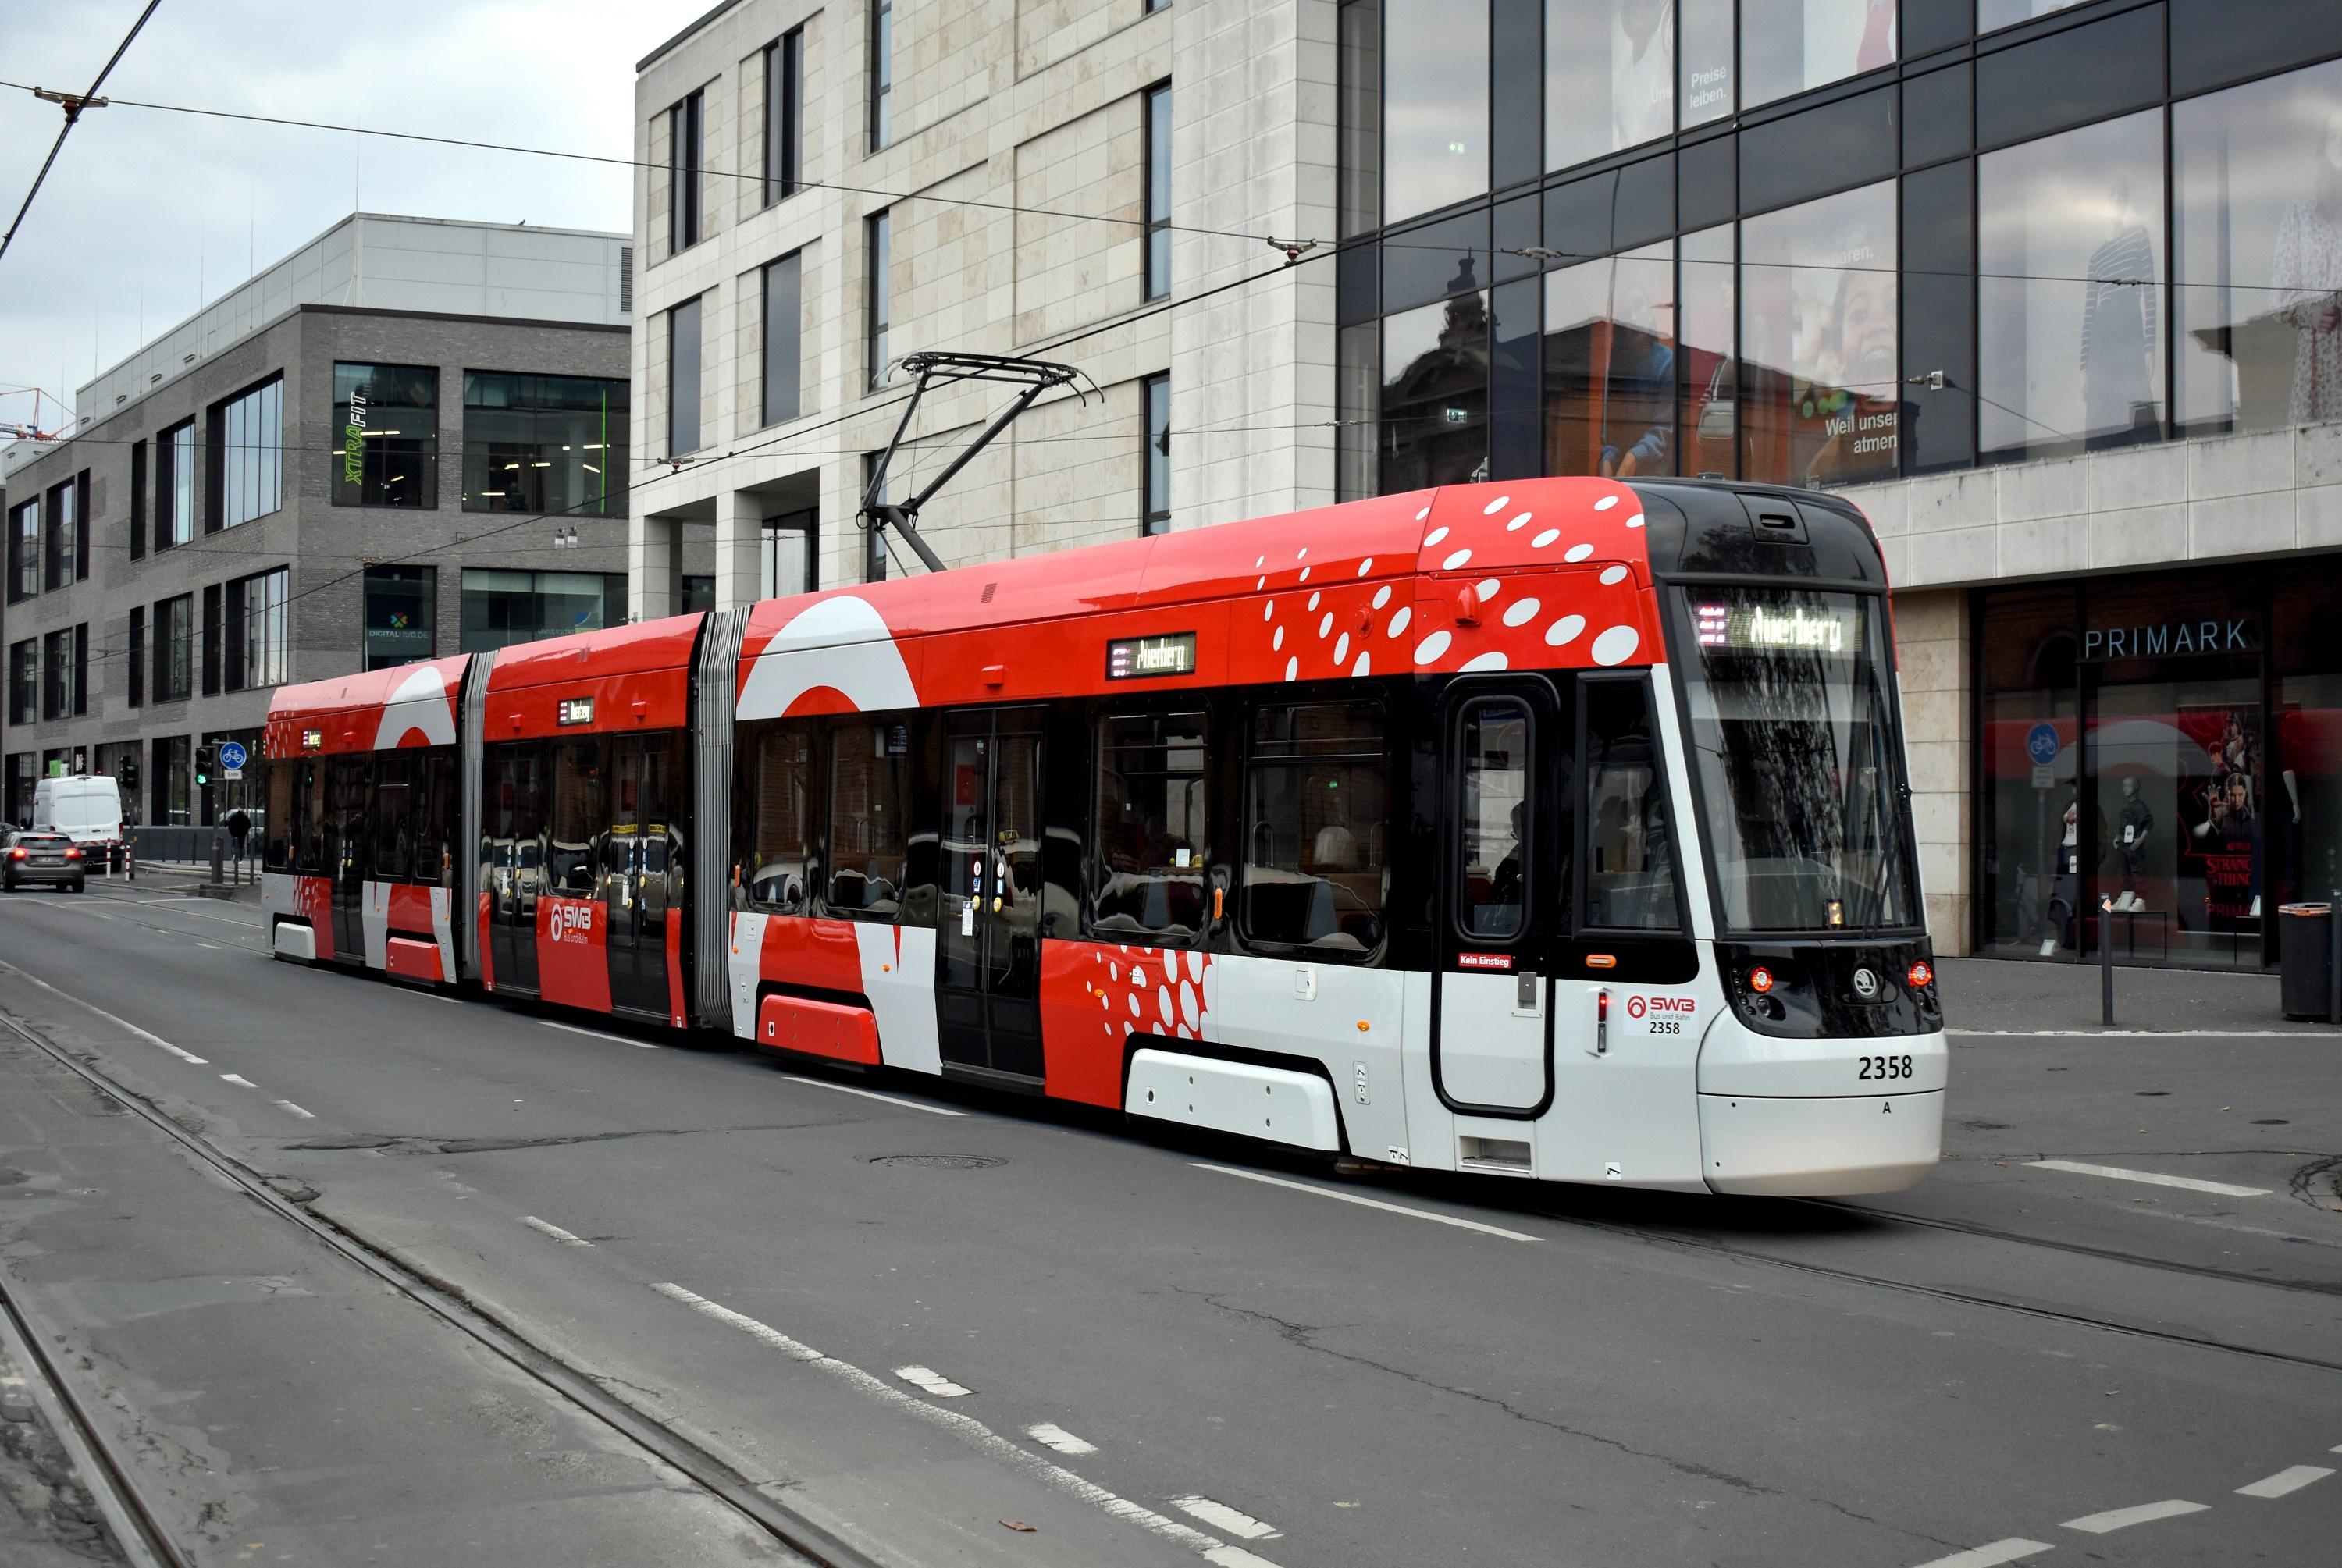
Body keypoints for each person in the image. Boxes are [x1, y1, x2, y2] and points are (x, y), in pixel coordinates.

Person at [2273, 107, 2342, 425]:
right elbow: (2281, 299)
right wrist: (2312, 313)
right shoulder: (2301, 213)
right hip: (2323, 350)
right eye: (2333, 135)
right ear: (2324, 148)